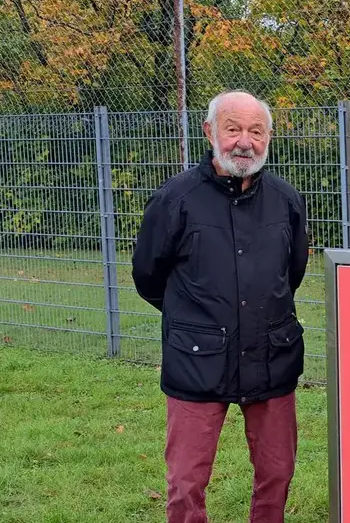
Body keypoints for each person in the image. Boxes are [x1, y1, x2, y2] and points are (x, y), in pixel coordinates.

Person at [132, 90, 310, 523]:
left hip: (272, 357)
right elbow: (148, 277)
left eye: (255, 131)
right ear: (211, 131)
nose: (243, 142)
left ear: (269, 137)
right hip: (197, 361)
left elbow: (293, 272)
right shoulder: (175, 199)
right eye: (233, 130)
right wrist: (198, 321)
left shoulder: (287, 202)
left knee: (278, 472)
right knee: (186, 482)